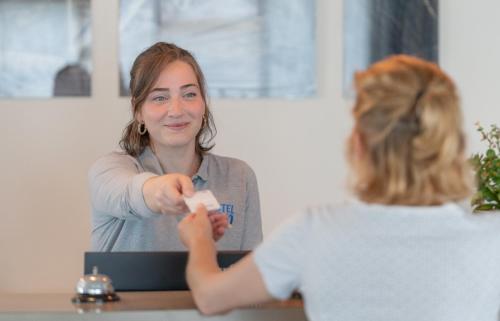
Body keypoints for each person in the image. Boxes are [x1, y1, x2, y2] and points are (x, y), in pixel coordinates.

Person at [177, 55, 500, 321]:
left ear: (358, 145)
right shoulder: (492, 241)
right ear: (453, 147)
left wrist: (201, 239)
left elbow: (210, 297)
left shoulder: (314, 230)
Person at [89, 42, 263, 251]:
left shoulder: (239, 177)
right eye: (160, 98)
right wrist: (162, 191)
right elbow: (130, 193)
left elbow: (251, 273)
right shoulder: (107, 170)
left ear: (203, 103)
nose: (176, 110)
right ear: (138, 111)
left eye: (189, 94)